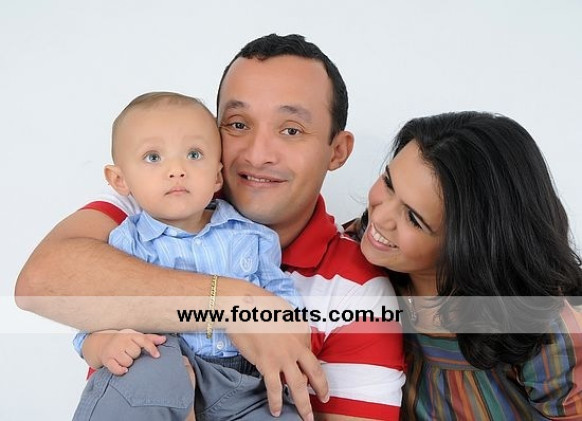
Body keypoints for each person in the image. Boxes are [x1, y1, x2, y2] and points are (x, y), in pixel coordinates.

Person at [16, 34, 405, 420]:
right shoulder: (155, 201)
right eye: (238, 124)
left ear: (337, 151)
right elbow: (40, 283)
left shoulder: (359, 292)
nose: (258, 154)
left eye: (291, 130)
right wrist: (233, 302)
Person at [72, 91, 305, 420]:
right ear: (120, 180)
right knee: (143, 365)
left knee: (281, 410)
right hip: (163, 368)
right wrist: (105, 344)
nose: (177, 170)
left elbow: (284, 304)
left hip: (243, 382)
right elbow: (89, 322)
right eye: (153, 157)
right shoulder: (125, 245)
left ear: (217, 176)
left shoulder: (252, 237)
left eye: (194, 154)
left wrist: (282, 329)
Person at [352, 111, 582, 420]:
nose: (380, 218)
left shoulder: (550, 330)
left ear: (469, 243)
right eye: (389, 184)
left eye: (414, 218)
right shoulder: (356, 252)